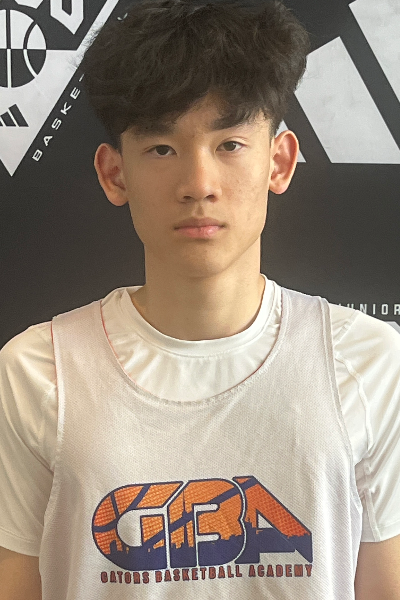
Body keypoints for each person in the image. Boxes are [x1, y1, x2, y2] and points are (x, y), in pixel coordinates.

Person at [0, 0, 399, 598]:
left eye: (230, 144)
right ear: (114, 173)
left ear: (279, 161)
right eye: (162, 148)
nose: (199, 185)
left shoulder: (366, 362)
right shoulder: (37, 371)